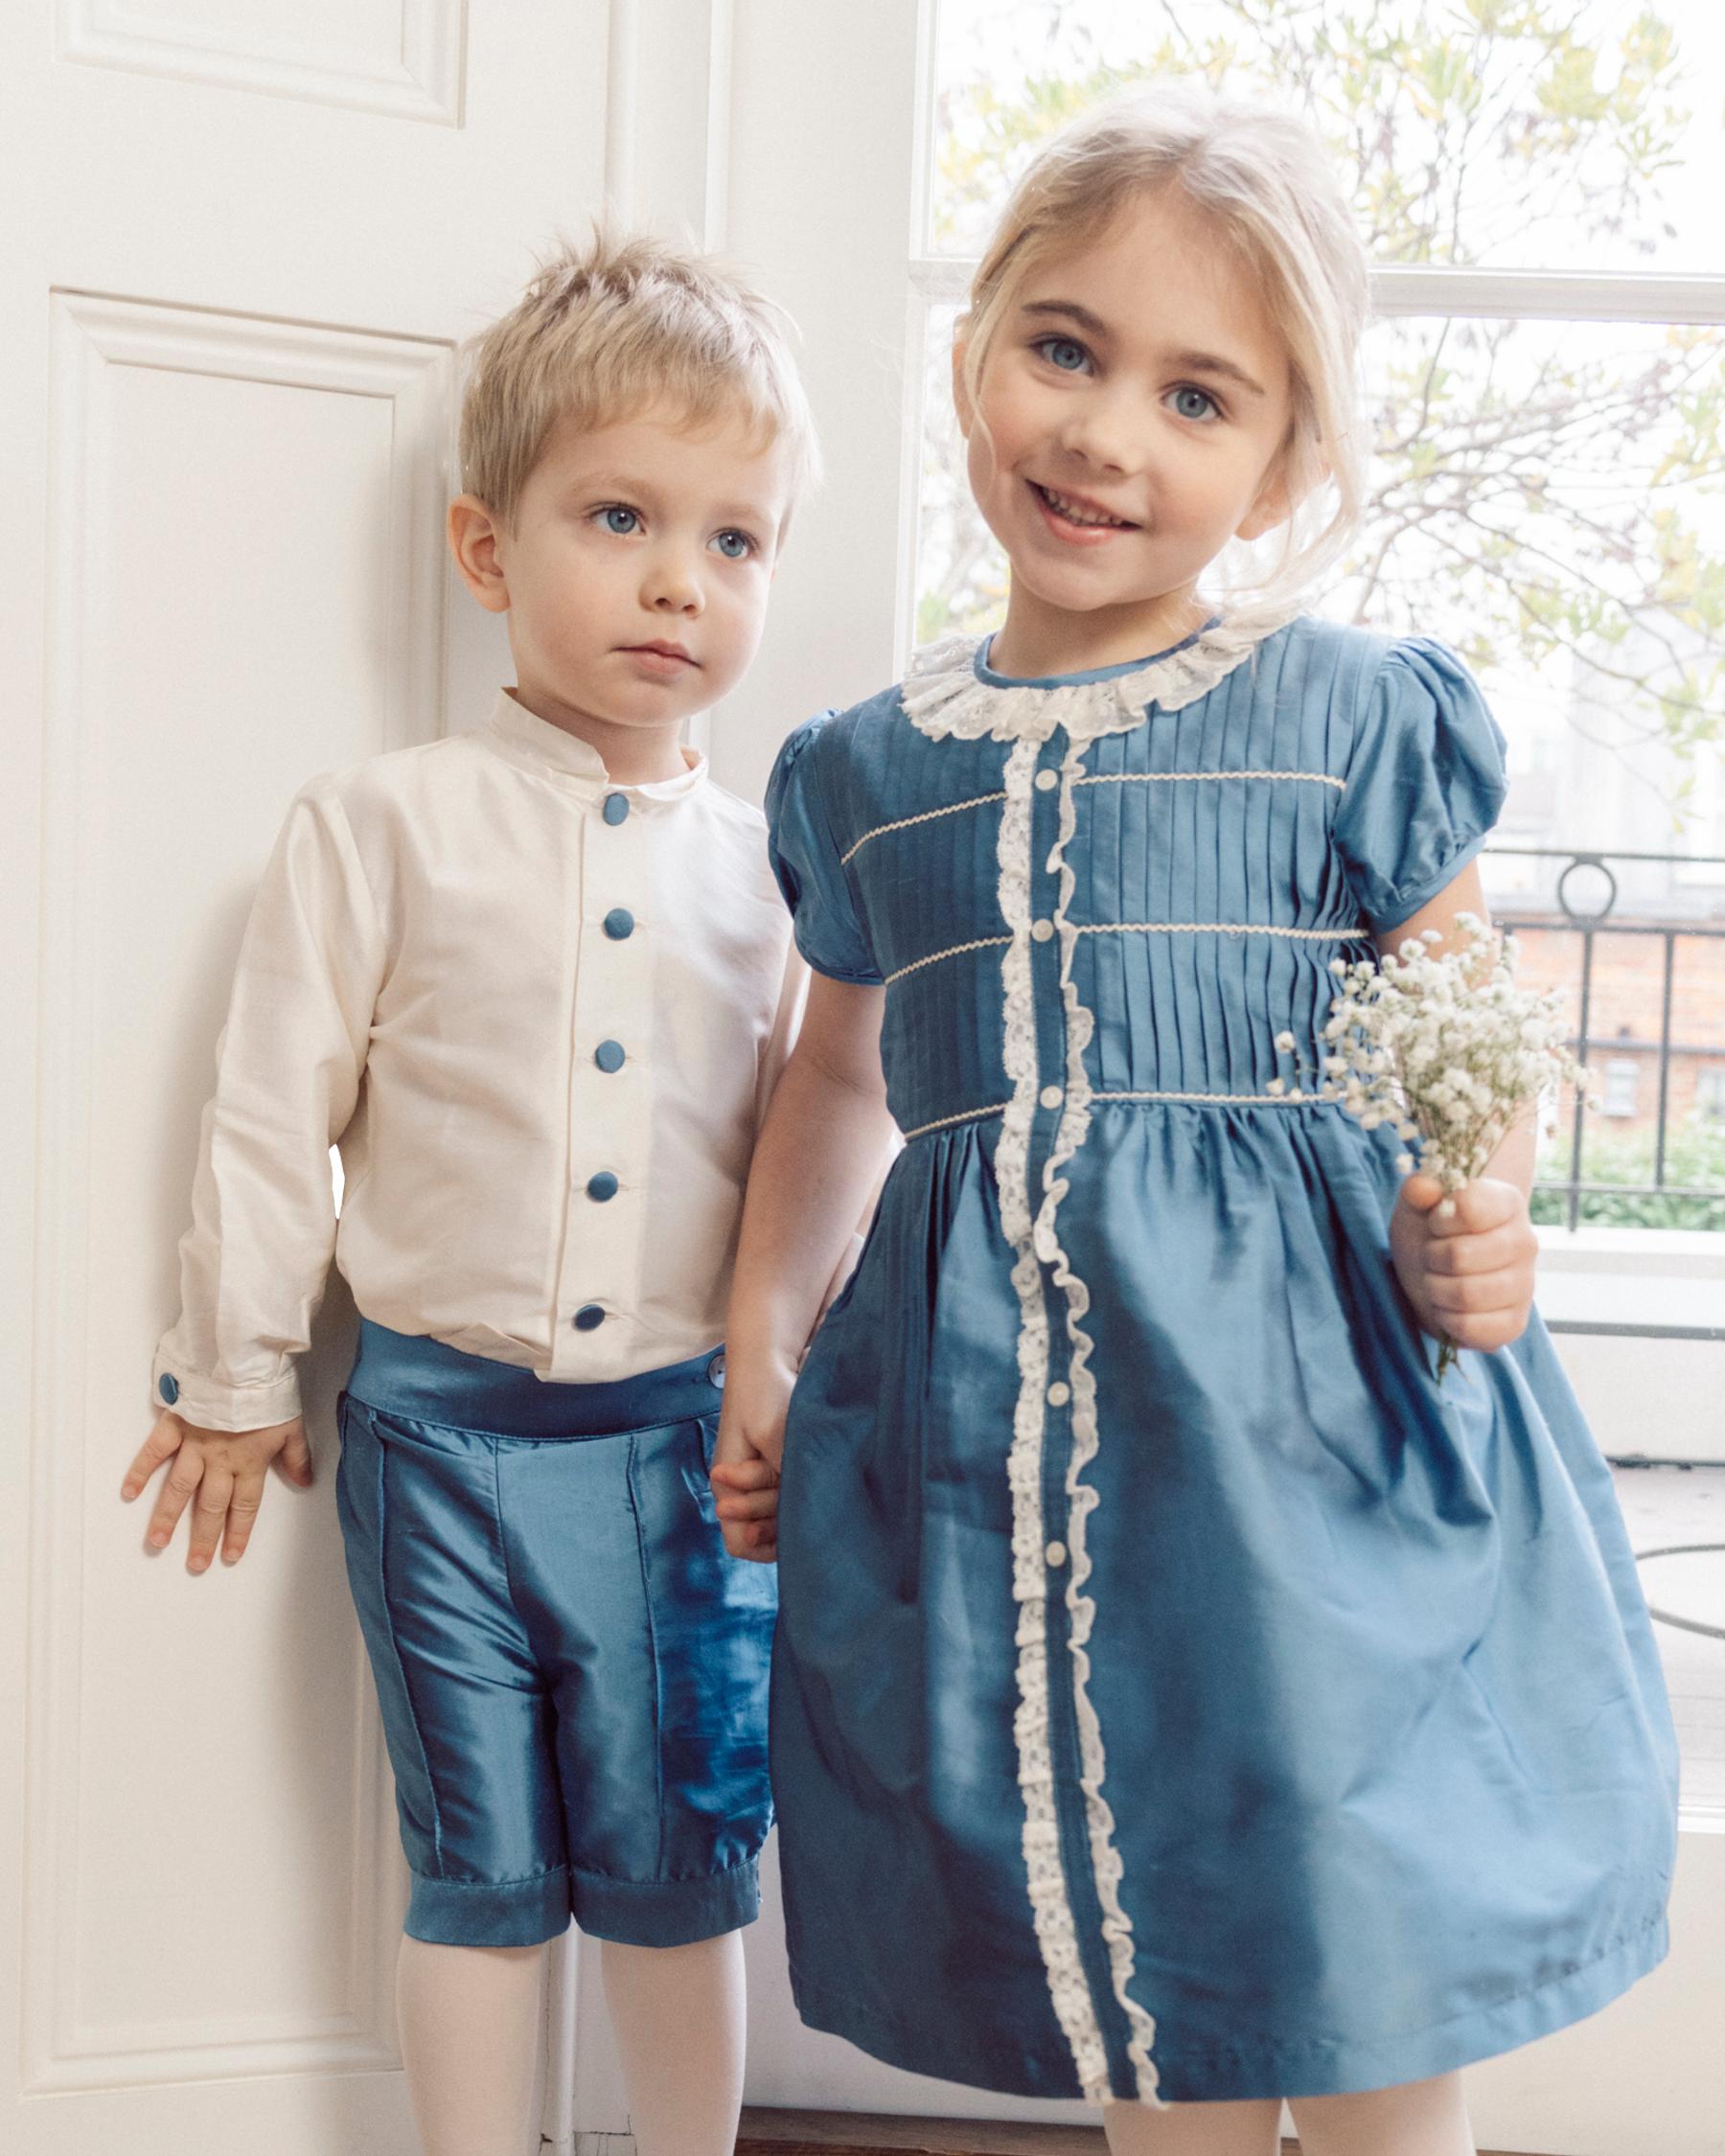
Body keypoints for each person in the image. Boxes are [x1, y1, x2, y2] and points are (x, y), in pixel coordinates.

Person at [709, 86, 1679, 2156]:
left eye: (1197, 395)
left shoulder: (1346, 714)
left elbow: (1462, 1024)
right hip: (1003, 1449)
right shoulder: (867, 770)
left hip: (1310, 1433)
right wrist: (764, 1329)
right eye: (1063, 349)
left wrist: (1480, 1204)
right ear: (976, 347)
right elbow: (836, 1076)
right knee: (1135, 1965)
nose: (1105, 435)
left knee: (1364, 1915)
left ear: (1285, 462)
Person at [123, 232, 818, 2156]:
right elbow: (273, 1112)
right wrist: (231, 1374)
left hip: (685, 1463)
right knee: (479, 1872)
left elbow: (803, 1163)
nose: (679, 580)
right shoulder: (382, 824)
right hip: (432, 1451)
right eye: (622, 517)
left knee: (684, 1870)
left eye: (736, 539)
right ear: (487, 548)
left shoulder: (774, 878)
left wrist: (796, 1397)